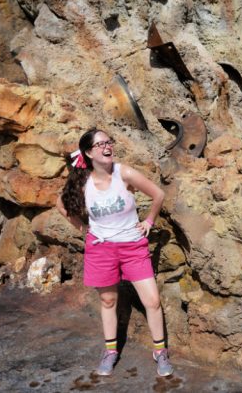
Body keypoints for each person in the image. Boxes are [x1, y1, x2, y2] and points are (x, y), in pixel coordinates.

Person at [56, 128, 172, 377]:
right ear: (88, 152)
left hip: (133, 246)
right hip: (101, 249)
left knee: (152, 300)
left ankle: (160, 351)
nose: (107, 147)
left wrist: (149, 222)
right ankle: (110, 351)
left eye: (109, 142)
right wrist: (84, 229)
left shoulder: (124, 173)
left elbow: (158, 194)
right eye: (100, 144)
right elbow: (61, 204)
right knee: (108, 300)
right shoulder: (82, 181)